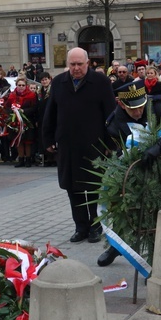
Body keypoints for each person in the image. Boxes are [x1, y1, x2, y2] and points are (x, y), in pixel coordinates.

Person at [97, 80, 161, 267]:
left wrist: (159, 146)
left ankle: (155, 262)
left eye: (141, 106)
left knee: (157, 216)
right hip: (135, 170)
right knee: (126, 209)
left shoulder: (159, 105)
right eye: (133, 109)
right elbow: (119, 151)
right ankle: (119, 246)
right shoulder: (113, 123)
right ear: (121, 103)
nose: (138, 112)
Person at [43, 47, 116, 243]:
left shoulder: (101, 82)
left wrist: (110, 142)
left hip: (94, 145)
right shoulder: (59, 82)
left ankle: (95, 226)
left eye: (79, 64)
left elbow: (111, 113)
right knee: (72, 188)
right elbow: (50, 112)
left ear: (88, 63)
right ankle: (80, 226)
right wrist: (48, 139)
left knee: (92, 187)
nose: (76, 68)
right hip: (67, 145)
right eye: (72, 64)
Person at [7, 76, 38, 167]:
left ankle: (28, 159)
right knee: (19, 140)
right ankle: (21, 159)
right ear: (16, 85)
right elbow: (7, 107)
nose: (21, 87)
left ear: (26, 86)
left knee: (28, 141)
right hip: (15, 120)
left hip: (27, 120)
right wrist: (12, 111)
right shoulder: (12, 95)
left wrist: (24, 111)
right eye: (19, 85)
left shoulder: (32, 95)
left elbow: (35, 108)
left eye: (23, 85)